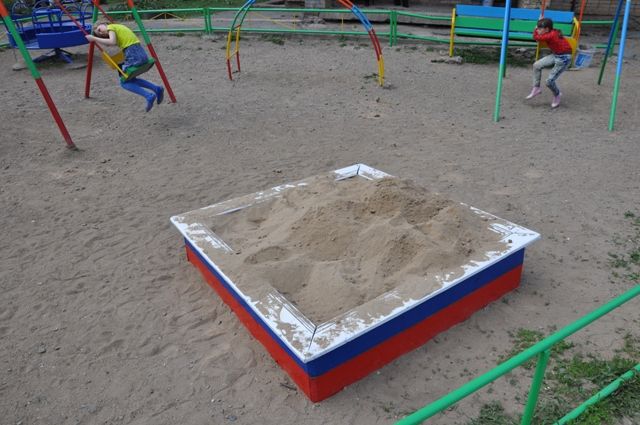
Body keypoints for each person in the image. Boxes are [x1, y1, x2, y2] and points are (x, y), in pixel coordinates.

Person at [86, 22, 164, 112]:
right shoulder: (118, 28)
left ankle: (149, 96)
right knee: (131, 80)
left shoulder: (111, 27)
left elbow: (111, 42)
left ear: (104, 24)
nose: (101, 32)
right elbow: (110, 43)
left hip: (134, 55)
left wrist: (94, 38)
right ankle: (156, 88)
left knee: (124, 83)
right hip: (140, 55)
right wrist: (100, 39)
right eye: (100, 34)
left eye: (99, 29)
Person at [526, 18, 572, 108]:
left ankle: (557, 95)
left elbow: (535, 37)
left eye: (540, 29)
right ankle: (536, 88)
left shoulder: (550, 35)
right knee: (536, 65)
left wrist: (535, 29)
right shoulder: (550, 31)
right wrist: (539, 25)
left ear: (547, 29)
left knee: (549, 81)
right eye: (538, 28)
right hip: (556, 55)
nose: (538, 30)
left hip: (564, 58)